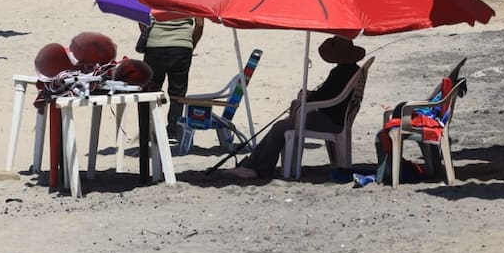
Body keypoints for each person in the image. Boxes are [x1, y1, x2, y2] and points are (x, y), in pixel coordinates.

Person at [235, 36, 366, 178]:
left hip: (330, 120)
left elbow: (325, 97)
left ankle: (260, 168)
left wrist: (307, 96)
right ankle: (252, 164)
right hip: (337, 118)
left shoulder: (340, 72)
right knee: (283, 124)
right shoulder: (353, 70)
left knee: (280, 127)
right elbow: (331, 94)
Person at [139, 16, 204, 141]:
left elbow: (140, 18)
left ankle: (148, 130)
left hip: (154, 45)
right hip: (182, 45)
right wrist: (190, 44)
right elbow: (200, 24)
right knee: (178, 92)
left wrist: (151, 37)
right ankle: (173, 131)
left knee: (150, 91)